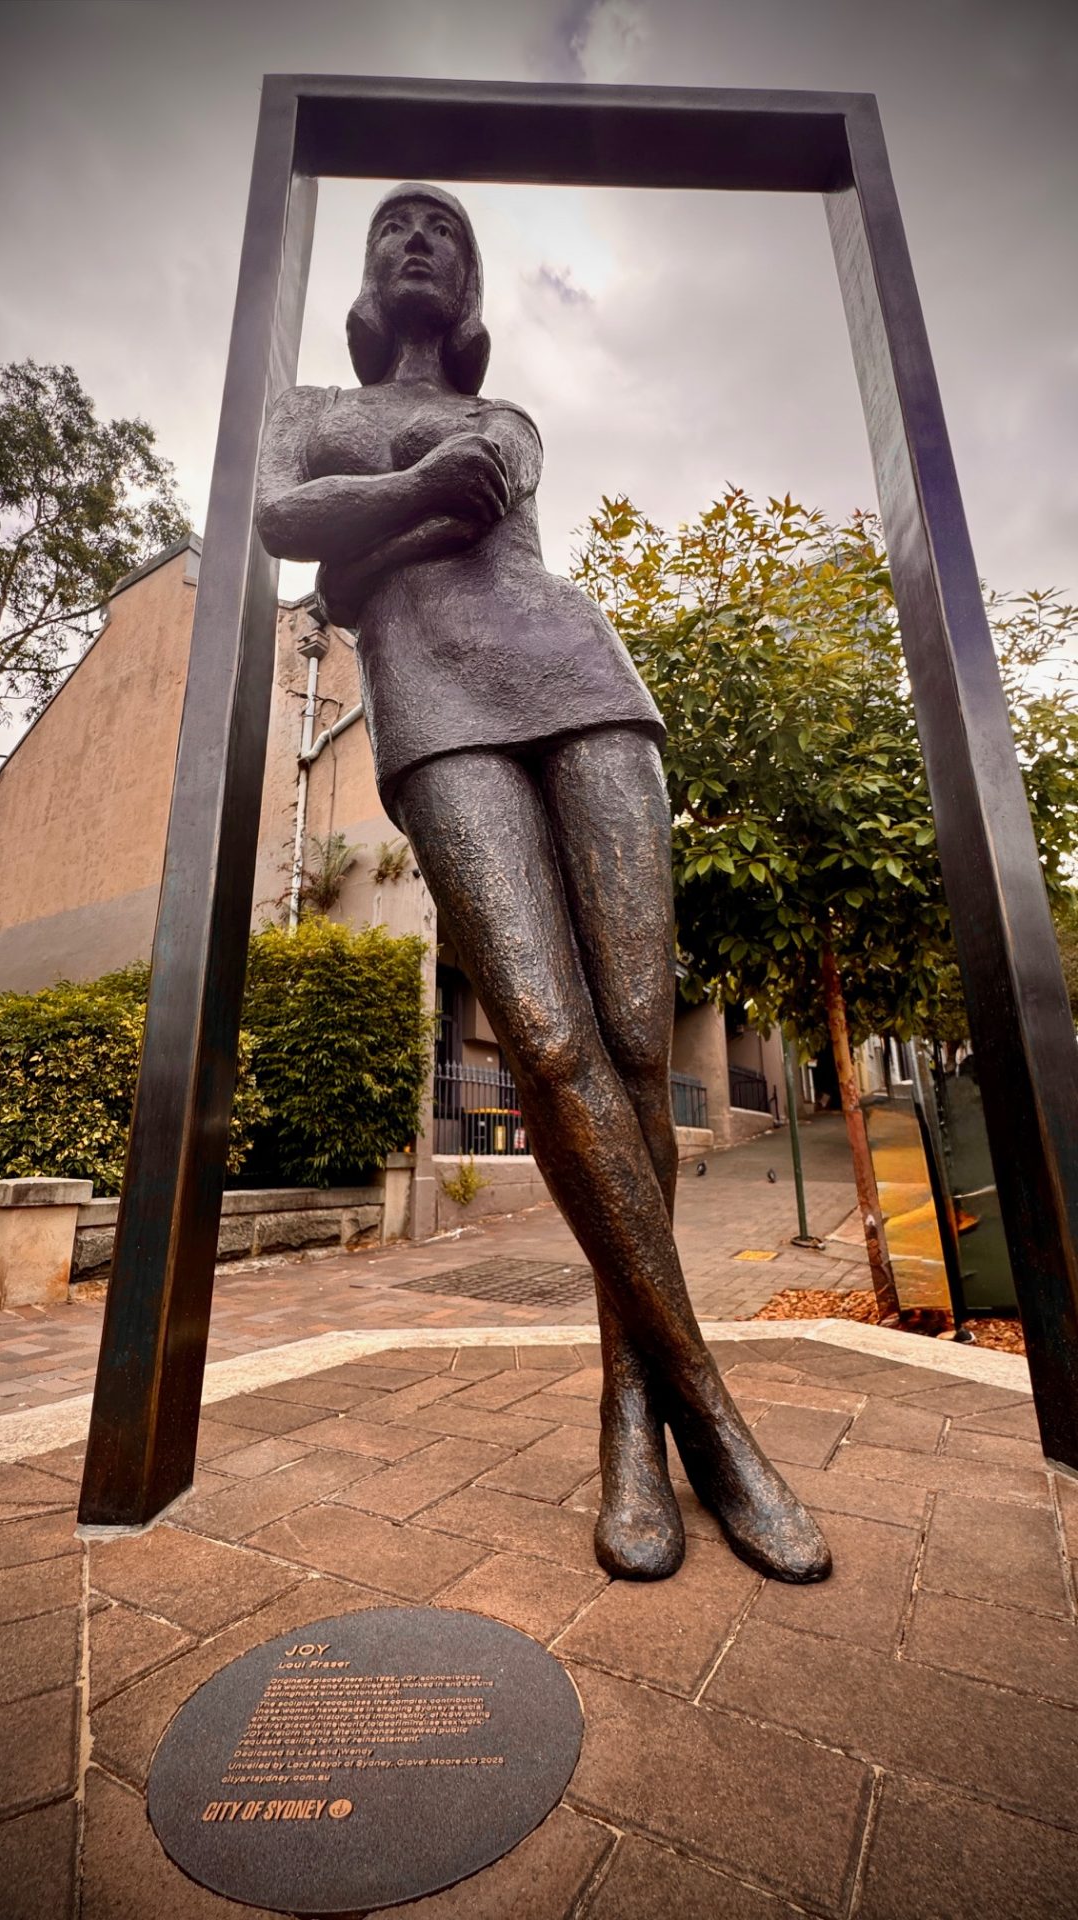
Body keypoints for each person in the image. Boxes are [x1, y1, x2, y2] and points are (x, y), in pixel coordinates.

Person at [256, 183, 830, 1585]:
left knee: (638, 1039)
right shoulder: (307, 401)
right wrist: (385, 518)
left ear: (471, 297)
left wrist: (361, 541)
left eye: (443, 231)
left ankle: (631, 1423)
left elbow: (451, 506)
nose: (415, 240)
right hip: (436, 711)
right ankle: (713, 1414)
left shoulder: (505, 420)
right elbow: (284, 516)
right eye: (394, 224)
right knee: (551, 1041)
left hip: (582, 683)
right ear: (362, 272)